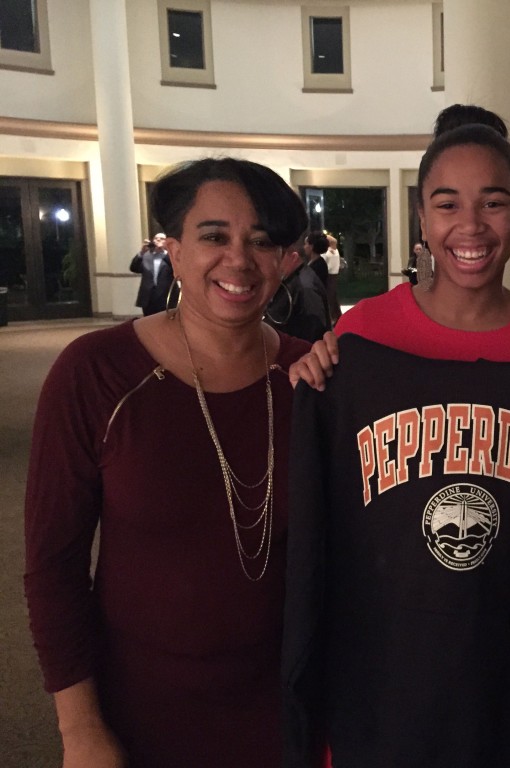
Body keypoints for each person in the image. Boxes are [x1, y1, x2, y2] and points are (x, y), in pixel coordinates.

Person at [283, 112, 510, 768]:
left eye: (494, 202)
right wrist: (314, 386)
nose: (471, 226)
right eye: (447, 204)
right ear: (422, 218)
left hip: (508, 664)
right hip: (384, 663)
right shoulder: (362, 337)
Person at [23, 158, 310, 767]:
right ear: (173, 251)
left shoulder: (313, 377)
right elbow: (53, 566)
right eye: (214, 236)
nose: (239, 259)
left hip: (284, 710)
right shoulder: (94, 372)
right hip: (140, 710)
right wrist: (80, 731)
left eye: (262, 241)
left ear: (285, 260)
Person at [264, 240, 333, 343]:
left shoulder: (306, 286)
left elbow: (314, 330)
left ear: (294, 257)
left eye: (279, 259)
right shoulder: (292, 280)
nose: (274, 265)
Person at [129, 232, 175, 316]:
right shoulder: (146, 256)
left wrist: (165, 251)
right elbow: (134, 268)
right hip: (148, 297)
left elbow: (175, 268)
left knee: (165, 321)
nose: (158, 240)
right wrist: (141, 252)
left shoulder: (170, 256)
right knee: (148, 321)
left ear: (166, 242)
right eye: (156, 238)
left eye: (161, 239)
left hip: (165, 296)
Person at [323, 233, 343, 322]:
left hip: (329, 275)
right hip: (335, 275)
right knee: (333, 296)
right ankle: (337, 315)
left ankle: (330, 316)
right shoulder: (336, 252)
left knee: (329, 297)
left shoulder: (328, 253)